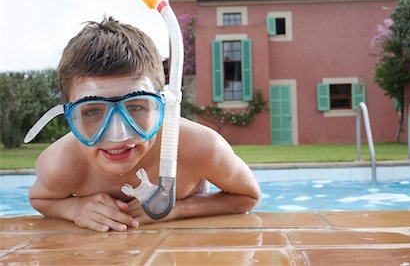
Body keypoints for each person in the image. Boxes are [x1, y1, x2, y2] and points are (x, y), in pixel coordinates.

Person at [28, 16, 261, 232]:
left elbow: (248, 196)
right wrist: (74, 209)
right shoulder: (61, 162)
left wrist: (180, 209)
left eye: (136, 107)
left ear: (163, 106)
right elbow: (40, 199)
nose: (118, 134)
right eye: (93, 111)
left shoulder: (201, 147)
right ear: (68, 114)